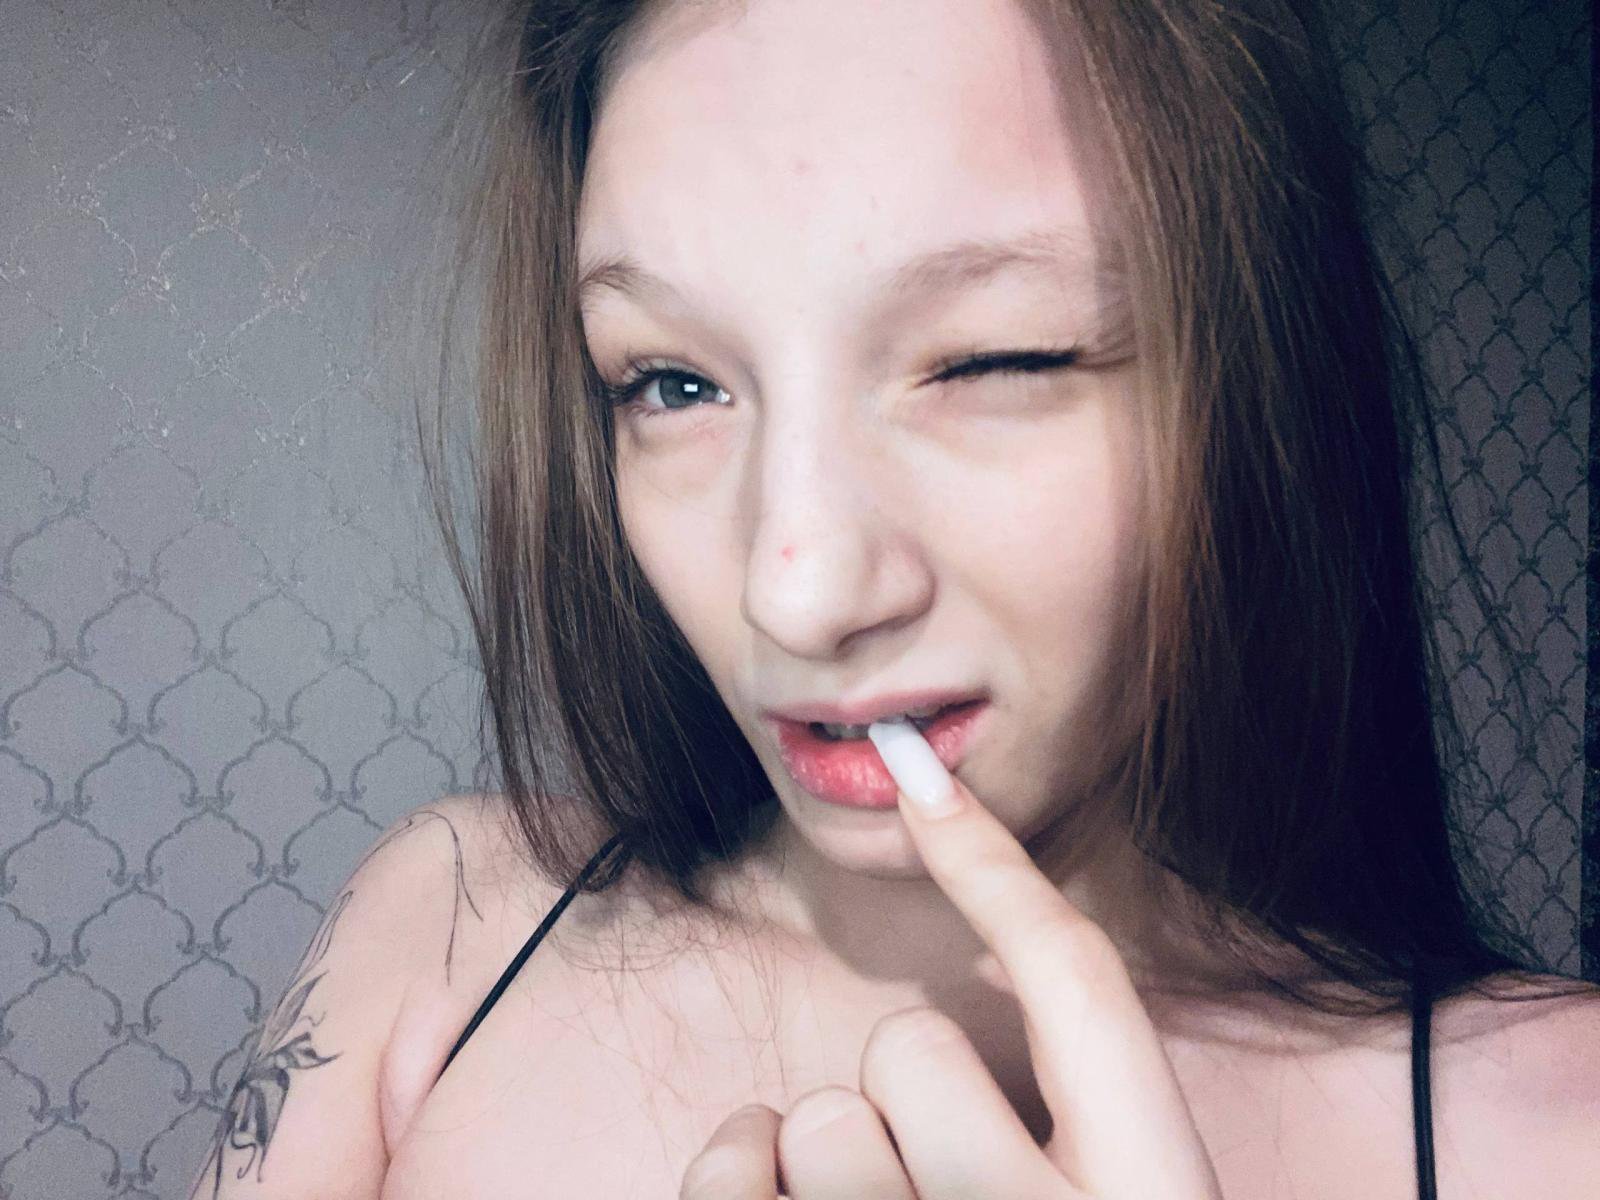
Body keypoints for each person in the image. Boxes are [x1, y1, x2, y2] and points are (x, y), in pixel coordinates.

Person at [187, 1, 1600, 1197]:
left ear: (1259, 389)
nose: (795, 596)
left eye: (991, 359)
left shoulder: (1558, 1125)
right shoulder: (450, 929)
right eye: (672, 382)